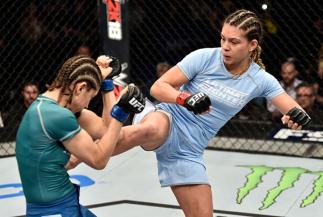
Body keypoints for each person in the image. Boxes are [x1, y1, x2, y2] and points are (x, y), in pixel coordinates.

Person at [111, 9, 312, 217]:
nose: (225, 47)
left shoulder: (260, 80)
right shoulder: (205, 57)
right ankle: (84, 149)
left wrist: (295, 117)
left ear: (252, 45)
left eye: (234, 42)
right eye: (223, 39)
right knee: (153, 129)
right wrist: (186, 99)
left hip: (189, 149)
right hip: (169, 117)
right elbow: (158, 87)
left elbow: (293, 108)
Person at [15, 55, 145, 217]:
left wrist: (106, 84)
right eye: (90, 96)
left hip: (63, 202)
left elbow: (107, 131)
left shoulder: (48, 106)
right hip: (53, 211)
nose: (87, 104)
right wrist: (122, 112)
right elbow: (99, 160)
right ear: (80, 88)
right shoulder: (56, 116)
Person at [267, 58, 303, 122]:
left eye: (289, 73)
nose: (286, 76)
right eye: (284, 73)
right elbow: (272, 110)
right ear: (281, 73)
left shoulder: (302, 86)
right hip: (277, 121)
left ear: (295, 73)